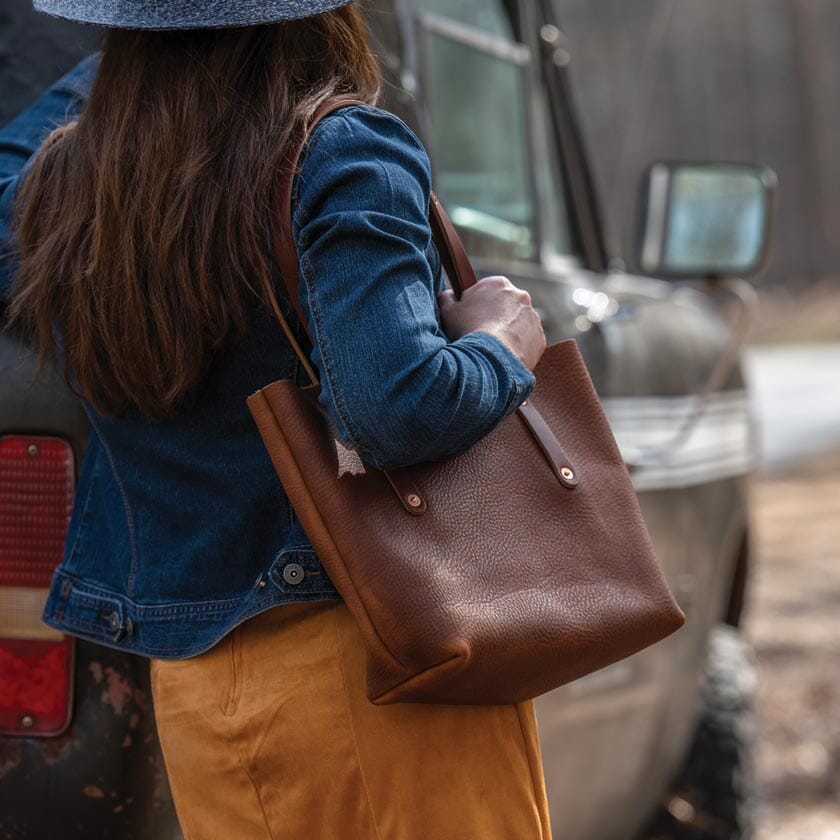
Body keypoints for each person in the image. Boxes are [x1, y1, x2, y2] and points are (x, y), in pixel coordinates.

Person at [2, 2, 551, 837]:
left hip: (196, 689)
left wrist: (147, 55)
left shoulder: (67, 183)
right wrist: (502, 343)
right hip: (381, 666)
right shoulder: (343, 151)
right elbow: (397, 409)